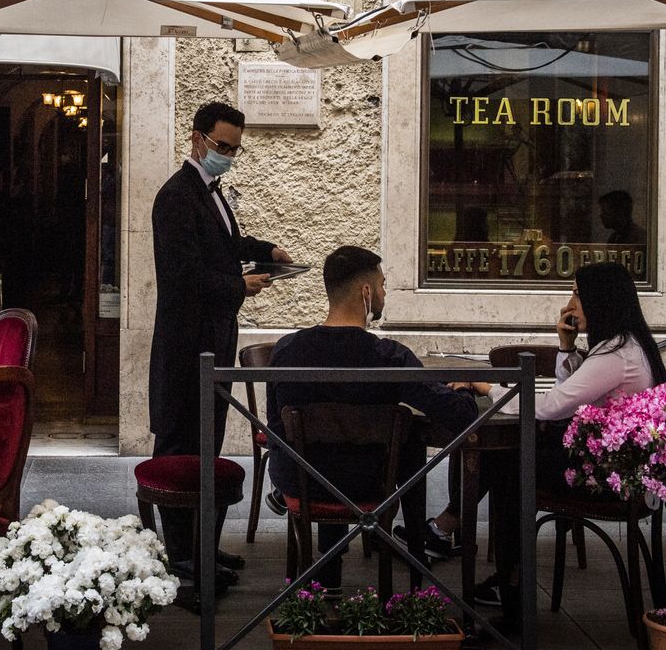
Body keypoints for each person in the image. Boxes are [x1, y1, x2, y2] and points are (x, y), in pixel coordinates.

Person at [454, 260, 666, 608]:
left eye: (577, 294)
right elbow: (568, 397)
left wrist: (487, 389)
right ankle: (496, 566)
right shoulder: (622, 346)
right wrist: (566, 347)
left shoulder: (617, 355)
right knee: (509, 458)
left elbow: (552, 406)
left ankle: (506, 580)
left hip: (611, 480)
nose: (570, 304)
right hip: (611, 467)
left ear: (601, 300)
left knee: (511, 465)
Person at [266, 246, 478, 588]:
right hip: (370, 485)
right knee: (407, 440)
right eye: (381, 285)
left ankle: (328, 576)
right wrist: (466, 387)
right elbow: (458, 414)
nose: (383, 293)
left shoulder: (288, 350)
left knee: (329, 451)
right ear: (366, 293)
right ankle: (415, 565)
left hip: (300, 479)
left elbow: (275, 426)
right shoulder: (389, 356)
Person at [149, 101, 289, 582]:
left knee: (206, 443)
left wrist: (264, 251)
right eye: (221, 146)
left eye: (234, 149)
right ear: (197, 139)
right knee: (180, 445)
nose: (228, 155)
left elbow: (223, 244)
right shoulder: (175, 195)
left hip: (212, 339)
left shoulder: (209, 192)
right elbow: (182, 274)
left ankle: (204, 548)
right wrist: (238, 285)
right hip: (185, 345)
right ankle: (182, 557)